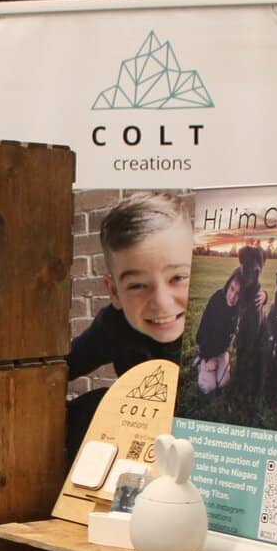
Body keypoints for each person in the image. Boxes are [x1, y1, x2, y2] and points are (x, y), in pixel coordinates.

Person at [65, 191, 193, 459]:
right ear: (114, 292)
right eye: (137, 286)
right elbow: (63, 366)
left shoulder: (219, 326)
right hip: (145, 441)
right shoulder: (114, 326)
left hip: (204, 445)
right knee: (94, 406)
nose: (161, 303)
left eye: (178, 278)